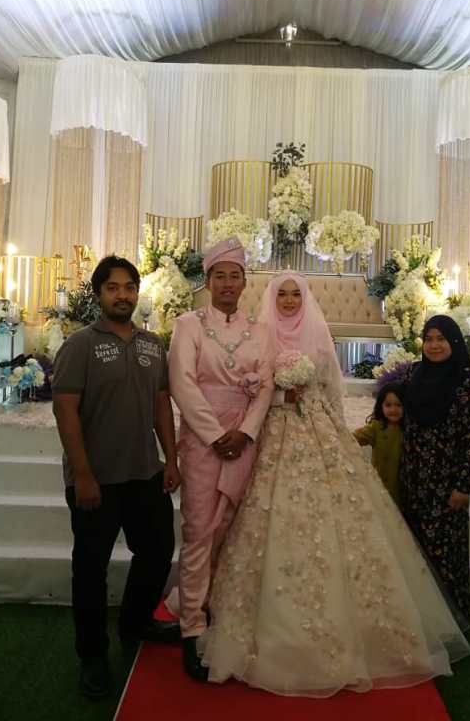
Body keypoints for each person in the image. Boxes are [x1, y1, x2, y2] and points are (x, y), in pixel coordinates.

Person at [199, 273, 470, 697]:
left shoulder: (318, 337)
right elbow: (250, 389)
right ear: (272, 297)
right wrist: (279, 398)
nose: (289, 301)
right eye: (283, 294)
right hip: (270, 430)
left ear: (305, 298)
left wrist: (333, 427)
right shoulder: (258, 335)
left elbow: (329, 390)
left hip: (318, 430)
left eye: (296, 294)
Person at [52, 255, 181, 700]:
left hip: (144, 472)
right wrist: (82, 474)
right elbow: (65, 409)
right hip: (96, 479)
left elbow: (161, 403)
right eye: (113, 288)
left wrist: (171, 459)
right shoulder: (81, 345)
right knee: (90, 570)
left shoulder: (152, 345)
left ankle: (135, 623)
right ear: (99, 294)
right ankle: (92, 655)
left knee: (158, 551)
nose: (122, 295)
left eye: (129, 287)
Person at [165, 237, 274, 681]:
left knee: (230, 526)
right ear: (207, 282)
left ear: (245, 283)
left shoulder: (261, 330)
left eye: (235, 276)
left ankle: (218, 607)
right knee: (198, 530)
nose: (228, 283)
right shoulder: (188, 325)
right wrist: (214, 435)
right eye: (220, 276)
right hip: (202, 440)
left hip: (243, 440)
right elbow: (182, 383)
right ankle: (192, 625)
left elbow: (266, 385)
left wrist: (245, 432)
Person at [401, 315, 470, 620]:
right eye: (428, 339)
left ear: (454, 342)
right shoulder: (413, 373)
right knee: (414, 551)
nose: (434, 345)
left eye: (441, 339)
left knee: (445, 553)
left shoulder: (469, 381)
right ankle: (421, 621)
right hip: (413, 478)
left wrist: (462, 487)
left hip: (446, 482)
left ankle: (451, 619)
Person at [353, 381, 405, 504]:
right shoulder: (376, 427)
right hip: (379, 483)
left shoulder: (408, 428)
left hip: (400, 487)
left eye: (398, 405)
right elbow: (356, 437)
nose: (393, 409)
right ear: (380, 406)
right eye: (388, 405)